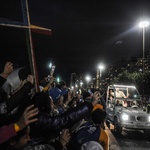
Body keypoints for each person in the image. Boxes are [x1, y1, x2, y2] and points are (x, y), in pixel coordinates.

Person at [27, 91, 101, 147]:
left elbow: (62, 116)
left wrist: (67, 102)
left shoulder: (36, 115)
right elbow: (64, 119)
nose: (52, 106)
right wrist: (91, 104)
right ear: (45, 106)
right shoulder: (39, 119)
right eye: (51, 103)